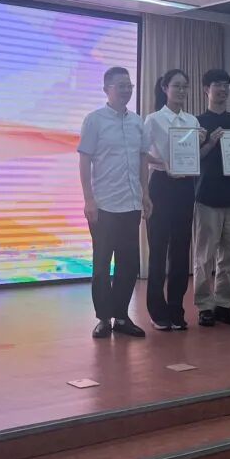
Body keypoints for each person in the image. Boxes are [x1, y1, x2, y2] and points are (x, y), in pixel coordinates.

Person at [78, 67, 151, 339]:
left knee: (128, 264)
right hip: (104, 205)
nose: (127, 90)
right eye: (121, 85)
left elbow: (143, 160)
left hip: (131, 203)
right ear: (106, 89)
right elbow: (85, 160)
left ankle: (121, 317)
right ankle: (103, 318)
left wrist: (145, 194)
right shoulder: (94, 120)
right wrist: (89, 199)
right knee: (101, 265)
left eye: (129, 85)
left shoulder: (137, 122)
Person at [143, 69, 204, 331]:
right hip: (161, 184)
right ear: (164, 88)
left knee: (181, 249)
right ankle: (157, 311)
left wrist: (202, 141)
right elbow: (142, 153)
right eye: (176, 86)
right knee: (158, 249)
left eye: (184, 86)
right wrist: (163, 163)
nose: (181, 91)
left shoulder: (192, 120)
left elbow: (192, 155)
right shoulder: (154, 119)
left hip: (185, 187)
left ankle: (176, 308)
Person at [193, 69, 230, 327]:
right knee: (204, 256)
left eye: (227, 85)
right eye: (217, 84)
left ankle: (224, 305)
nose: (223, 89)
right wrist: (210, 143)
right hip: (206, 196)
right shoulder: (197, 122)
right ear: (206, 89)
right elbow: (191, 160)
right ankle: (204, 306)